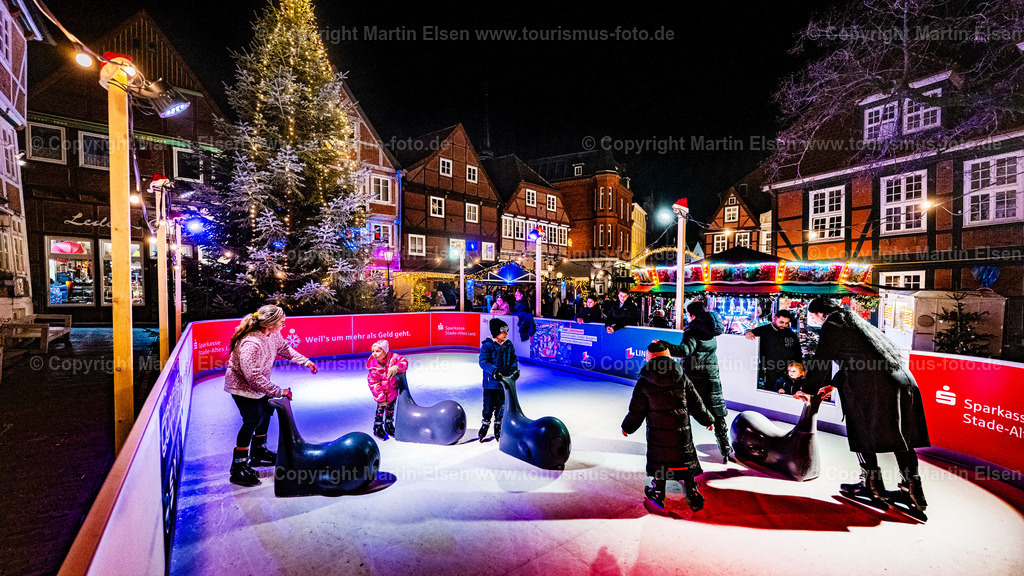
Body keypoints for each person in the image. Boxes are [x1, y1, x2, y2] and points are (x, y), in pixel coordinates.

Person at [802, 298, 930, 513]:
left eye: (812, 315)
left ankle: (870, 485)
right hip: (902, 382)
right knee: (902, 436)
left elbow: (820, 361)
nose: (812, 319)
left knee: (861, 430)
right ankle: (913, 489)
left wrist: (807, 389)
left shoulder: (832, 326)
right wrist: (833, 385)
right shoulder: (856, 322)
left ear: (818, 313)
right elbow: (862, 357)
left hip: (873, 387)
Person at [224, 305, 318, 486]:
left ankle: (259, 451)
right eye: (282, 322)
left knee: (266, 411)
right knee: (252, 420)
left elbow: (284, 348)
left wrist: (305, 361)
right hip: (242, 387)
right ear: (271, 323)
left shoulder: (273, 335)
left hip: (260, 385)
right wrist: (278, 391)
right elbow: (252, 377)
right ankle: (238, 467)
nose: (284, 325)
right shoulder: (251, 342)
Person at [622, 341, 715, 512]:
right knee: (685, 457)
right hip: (682, 433)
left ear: (649, 358)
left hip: (658, 435)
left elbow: (636, 411)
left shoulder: (644, 382)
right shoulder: (682, 378)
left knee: (660, 459)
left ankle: (658, 491)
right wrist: (707, 420)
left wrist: (627, 427)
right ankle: (692, 490)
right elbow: (696, 403)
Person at [655, 300, 732, 462]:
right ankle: (725, 447)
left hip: (694, 377)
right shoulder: (711, 328)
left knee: (682, 409)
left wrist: (664, 345)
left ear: (692, 315)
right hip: (711, 375)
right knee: (716, 410)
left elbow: (685, 350)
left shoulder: (693, 330)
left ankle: (680, 446)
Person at [478, 318, 519, 441]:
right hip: (491, 383)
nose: (506, 333)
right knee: (488, 406)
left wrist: (514, 370)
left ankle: (498, 424)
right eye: (504, 331)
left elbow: (513, 359)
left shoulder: (508, 344)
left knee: (501, 405)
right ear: (496, 333)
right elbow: (483, 362)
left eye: (507, 331)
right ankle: (485, 424)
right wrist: (495, 372)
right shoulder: (487, 345)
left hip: (503, 383)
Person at [744, 310, 801, 390]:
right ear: (774, 318)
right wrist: (747, 332)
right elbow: (748, 331)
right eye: (781, 322)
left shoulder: (791, 333)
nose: (784, 325)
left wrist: (799, 369)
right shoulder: (764, 330)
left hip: (788, 373)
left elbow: (798, 352)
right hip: (770, 372)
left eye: (787, 323)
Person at [365, 340, 408, 440]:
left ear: (385, 351)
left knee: (390, 409)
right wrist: (380, 397)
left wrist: (397, 367)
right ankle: (378, 426)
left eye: (378, 351)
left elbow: (404, 363)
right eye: (373, 351)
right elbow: (373, 383)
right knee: (381, 410)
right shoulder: (374, 367)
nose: (374, 354)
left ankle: (389, 424)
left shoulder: (394, 358)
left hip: (392, 391)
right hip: (382, 394)